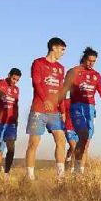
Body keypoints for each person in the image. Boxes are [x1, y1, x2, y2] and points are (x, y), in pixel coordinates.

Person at [66, 47, 101, 174]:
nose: (91, 63)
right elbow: (64, 89)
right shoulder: (74, 71)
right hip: (77, 106)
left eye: (94, 61)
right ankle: (75, 169)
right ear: (84, 59)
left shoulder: (96, 75)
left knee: (86, 141)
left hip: (90, 108)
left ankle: (80, 171)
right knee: (82, 136)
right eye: (89, 60)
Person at [25, 37, 67, 181]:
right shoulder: (38, 63)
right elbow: (36, 84)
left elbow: (61, 90)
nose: (63, 53)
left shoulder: (61, 68)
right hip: (38, 110)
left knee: (61, 140)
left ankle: (60, 176)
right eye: (62, 49)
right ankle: (30, 176)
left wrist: (63, 110)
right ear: (54, 47)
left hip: (55, 112)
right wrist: (45, 100)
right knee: (33, 143)